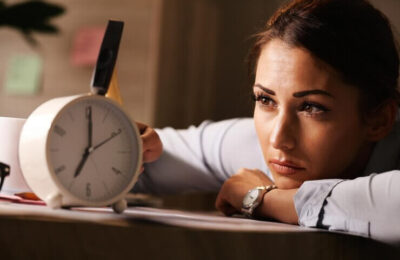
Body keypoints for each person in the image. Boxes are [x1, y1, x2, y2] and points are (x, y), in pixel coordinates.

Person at [133, 0, 400, 246]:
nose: (278, 139)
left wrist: (262, 198)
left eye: (311, 107)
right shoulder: (261, 147)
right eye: (265, 100)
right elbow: (125, 164)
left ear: (379, 120)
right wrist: (121, 141)